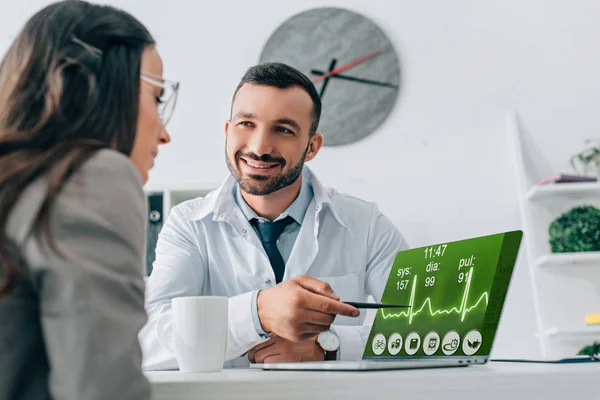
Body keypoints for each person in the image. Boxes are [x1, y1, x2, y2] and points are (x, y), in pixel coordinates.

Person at [141, 62, 408, 369]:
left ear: (312, 147)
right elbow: (148, 342)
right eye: (247, 124)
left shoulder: (366, 224)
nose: (259, 147)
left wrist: (329, 347)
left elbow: (429, 325)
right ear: (228, 131)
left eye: (283, 129)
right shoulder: (188, 225)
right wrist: (256, 312)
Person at [0, 1, 178, 398]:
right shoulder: (93, 175)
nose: (164, 134)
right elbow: (100, 389)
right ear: (93, 87)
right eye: (157, 97)